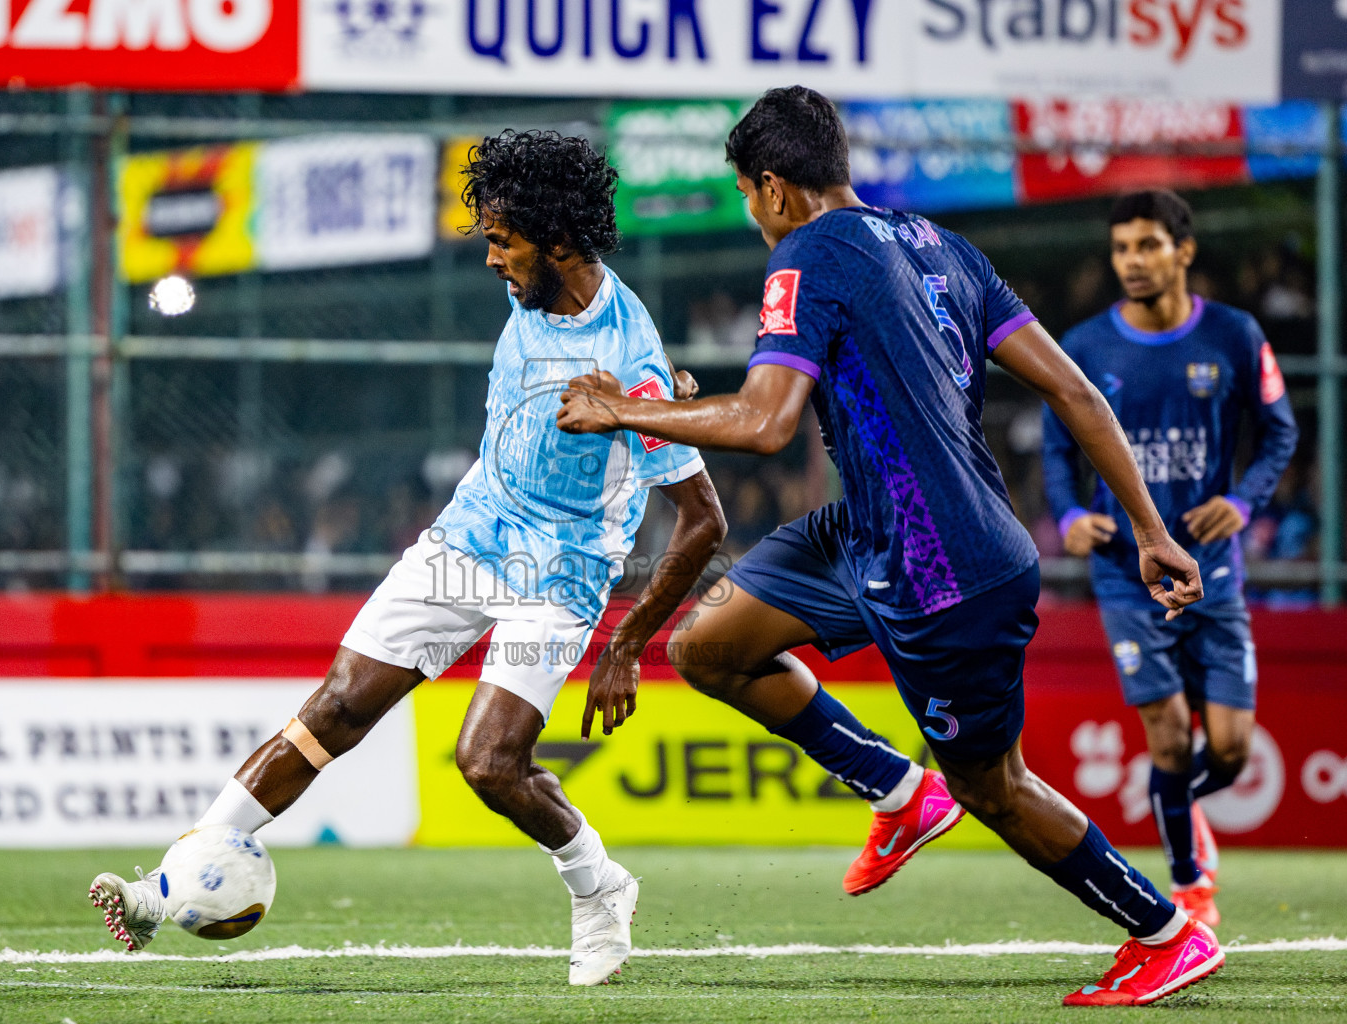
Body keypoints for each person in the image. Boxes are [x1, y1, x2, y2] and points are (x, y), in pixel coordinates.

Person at [556, 86, 1221, 1008]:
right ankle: (899, 795)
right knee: (706, 647)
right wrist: (1153, 530)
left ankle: (1165, 932)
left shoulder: (803, 256)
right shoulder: (941, 246)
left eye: (749, 197)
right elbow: (1077, 394)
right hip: (861, 532)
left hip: (947, 569)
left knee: (996, 786)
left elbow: (762, 423)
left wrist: (620, 409)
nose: (753, 217)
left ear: (775, 187)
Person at [90, 130, 727, 987]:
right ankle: (166, 889)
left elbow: (702, 520)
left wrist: (625, 645)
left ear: (560, 241)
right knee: (340, 704)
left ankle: (599, 886)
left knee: (488, 762)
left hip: (561, 573)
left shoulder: (629, 362)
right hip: (470, 536)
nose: (492, 258)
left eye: (505, 241)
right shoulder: (538, 292)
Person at [1043, 189, 1298, 928]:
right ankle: (1189, 884)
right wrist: (1071, 515)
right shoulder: (1087, 347)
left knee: (1230, 751)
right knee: (1164, 731)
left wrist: (1245, 503)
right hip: (1126, 573)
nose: (1133, 262)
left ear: (1183, 251)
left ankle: (1187, 807)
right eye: (1122, 248)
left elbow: (1278, 432)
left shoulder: (1235, 334)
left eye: (1149, 245)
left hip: (1213, 568)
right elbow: (1060, 446)